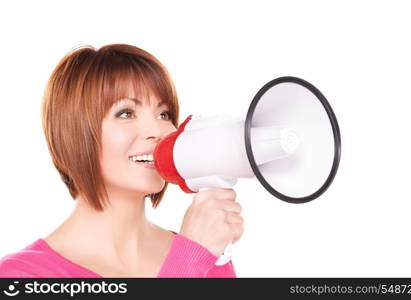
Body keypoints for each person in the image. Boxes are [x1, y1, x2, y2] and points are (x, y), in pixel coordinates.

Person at [0, 44, 244, 278]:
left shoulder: (206, 251)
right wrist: (190, 260)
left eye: (164, 114)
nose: (158, 131)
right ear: (73, 134)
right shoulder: (22, 274)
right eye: (125, 113)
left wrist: (204, 256)